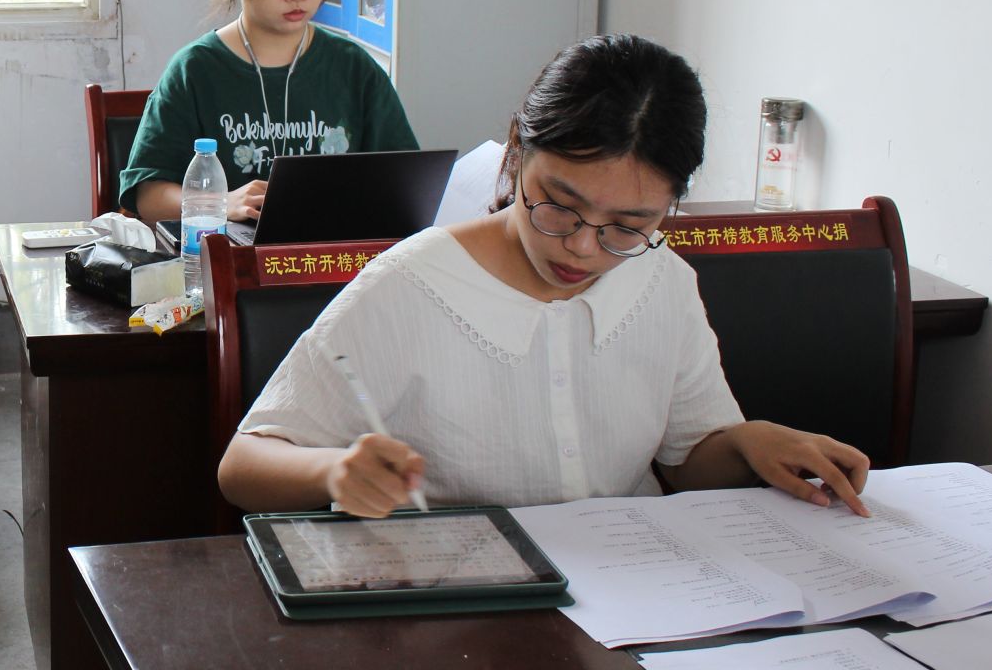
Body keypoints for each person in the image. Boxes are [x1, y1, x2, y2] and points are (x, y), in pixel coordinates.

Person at [216, 33, 871, 518]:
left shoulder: (661, 280)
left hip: (635, 594)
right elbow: (243, 465)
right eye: (559, 204)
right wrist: (334, 471)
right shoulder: (411, 285)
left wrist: (748, 443)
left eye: (628, 224)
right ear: (516, 152)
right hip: (471, 612)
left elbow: (686, 460)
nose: (583, 248)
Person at [116, 0, 418, 222]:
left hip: (333, 253)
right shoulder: (195, 71)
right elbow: (148, 195)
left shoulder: (353, 68)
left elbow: (409, 182)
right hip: (228, 254)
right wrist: (219, 202)